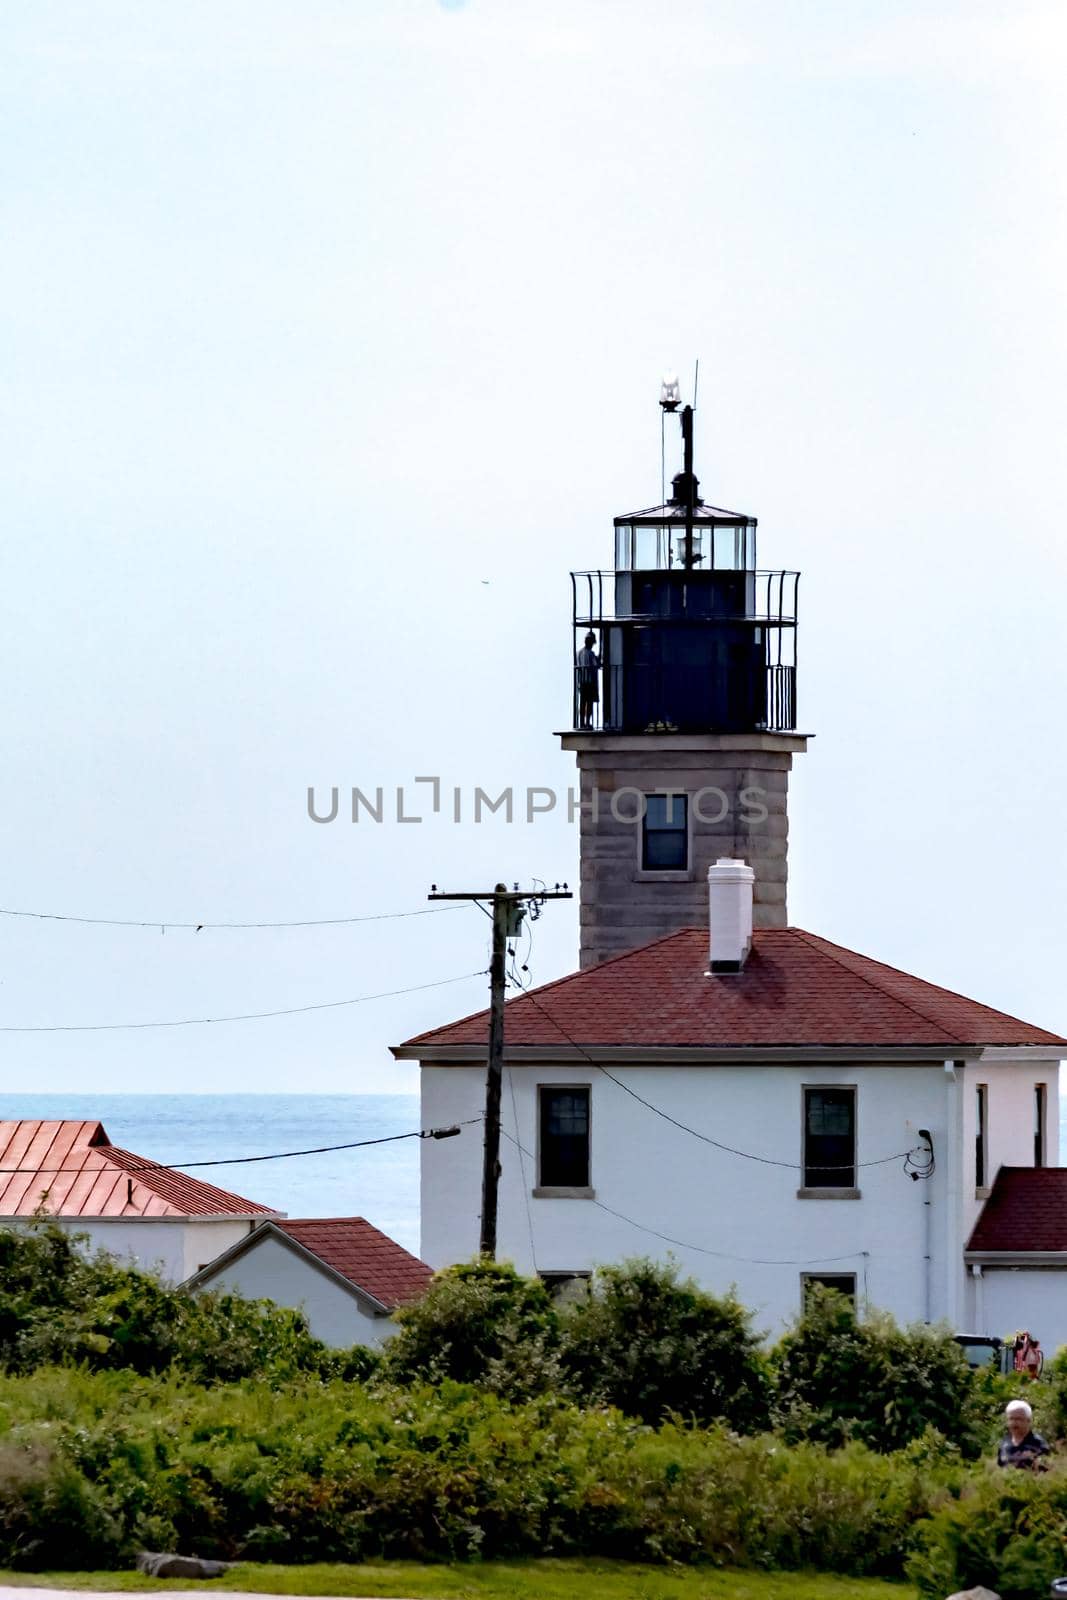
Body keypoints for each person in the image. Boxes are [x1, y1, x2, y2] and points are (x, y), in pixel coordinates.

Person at [997, 1399, 1051, 1470]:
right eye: (1011, 1419)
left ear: (1028, 1420)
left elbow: (1046, 1472)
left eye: (1018, 1419)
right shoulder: (1004, 1443)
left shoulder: (1038, 1444)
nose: (1014, 1422)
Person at [576, 632, 600, 729]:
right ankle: (587, 723)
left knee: (582, 703)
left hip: (581, 682)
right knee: (589, 703)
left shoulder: (579, 653)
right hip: (589, 682)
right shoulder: (590, 653)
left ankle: (581, 723)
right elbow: (595, 665)